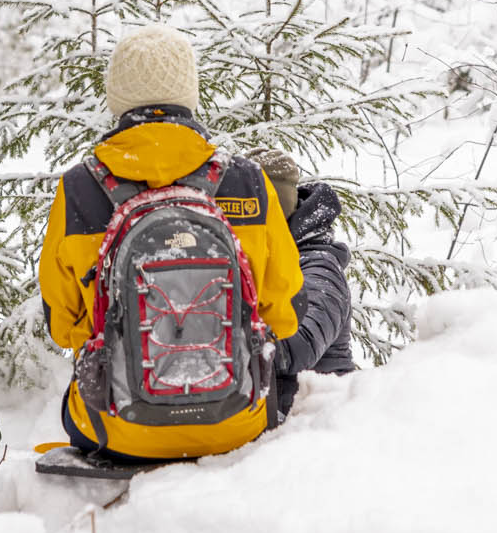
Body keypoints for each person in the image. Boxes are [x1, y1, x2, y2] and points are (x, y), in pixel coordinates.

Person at [39, 24, 303, 460]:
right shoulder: (246, 181)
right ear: (190, 94)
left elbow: (65, 327)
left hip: (118, 429)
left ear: (116, 98)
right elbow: (286, 314)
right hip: (236, 423)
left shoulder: (80, 189)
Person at [248, 148, 356, 418]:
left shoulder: (320, 266)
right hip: (282, 417)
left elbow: (298, 346)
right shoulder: (262, 262)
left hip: (319, 424)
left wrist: (222, 341)